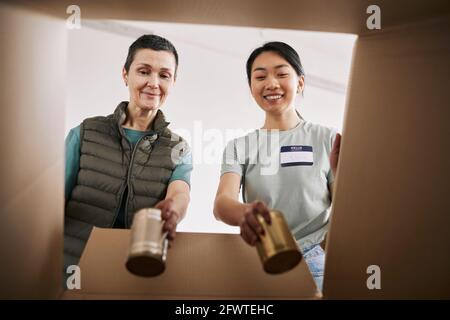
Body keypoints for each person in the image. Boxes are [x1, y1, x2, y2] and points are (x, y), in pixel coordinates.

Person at [213, 41, 341, 291]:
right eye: (260, 76)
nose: (271, 84)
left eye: (282, 74)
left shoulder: (327, 138)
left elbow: (347, 211)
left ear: (300, 82)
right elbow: (221, 204)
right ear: (251, 87)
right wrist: (245, 214)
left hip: (318, 262)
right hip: (263, 260)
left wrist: (325, 248)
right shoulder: (239, 146)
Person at [64, 35, 192, 282]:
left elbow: (180, 193)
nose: (153, 83)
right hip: (72, 268)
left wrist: (173, 210)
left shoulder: (179, 147)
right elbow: (50, 205)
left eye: (164, 75)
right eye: (144, 71)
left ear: (173, 81)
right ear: (125, 75)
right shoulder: (85, 133)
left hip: (136, 274)